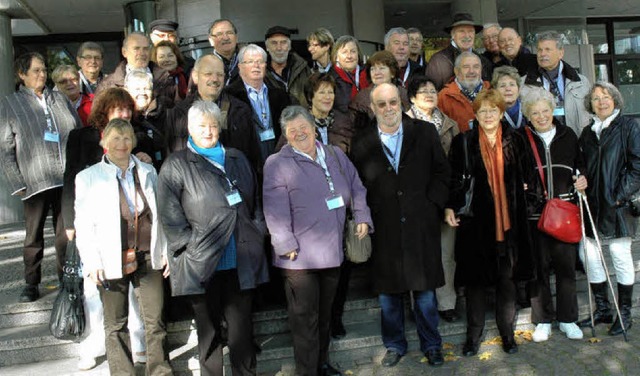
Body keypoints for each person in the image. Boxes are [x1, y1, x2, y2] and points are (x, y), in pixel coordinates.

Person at [158, 100, 268, 375]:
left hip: (240, 258)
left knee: (242, 333)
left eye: (213, 125)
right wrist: (190, 246)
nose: (208, 131)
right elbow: (170, 216)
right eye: (201, 126)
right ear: (189, 129)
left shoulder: (236, 157)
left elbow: (255, 201)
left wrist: (258, 230)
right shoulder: (176, 164)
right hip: (202, 264)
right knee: (208, 336)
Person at [263, 105, 372, 376]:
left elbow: (357, 185)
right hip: (298, 258)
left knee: (325, 316)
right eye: (292, 131)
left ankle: (322, 363)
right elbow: (274, 208)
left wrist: (361, 215)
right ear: (285, 135)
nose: (300, 133)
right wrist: (284, 242)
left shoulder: (334, 154)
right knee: (304, 320)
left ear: (314, 128)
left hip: (333, 251)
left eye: (304, 128)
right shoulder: (277, 163)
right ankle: (307, 370)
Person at [351, 83, 450, 368]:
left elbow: (443, 172)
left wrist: (433, 205)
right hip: (385, 227)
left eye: (393, 102)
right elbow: (358, 185)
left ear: (401, 103)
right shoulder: (361, 141)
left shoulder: (424, 132)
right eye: (381, 104)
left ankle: (432, 345)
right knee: (389, 295)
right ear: (373, 108)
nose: (388, 109)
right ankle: (394, 345)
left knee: (425, 293)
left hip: (421, 223)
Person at [74, 118, 172, 376]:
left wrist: (165, 251)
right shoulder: (88, 177)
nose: (121, 144)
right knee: (116, 324)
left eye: (127, 137)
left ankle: (160, 371)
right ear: (104, 142)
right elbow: (83, 224)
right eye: (115, 138)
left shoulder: (148, 171)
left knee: (155, 320)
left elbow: (160, 214)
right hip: (109, 258)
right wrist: (92, 262)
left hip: (147, 254)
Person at [61, 87, 148, 370]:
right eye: (117, 109)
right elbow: (70, 178)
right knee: (93, 290)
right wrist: (70, 223)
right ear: (104, 111)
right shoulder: (81, 137)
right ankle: (91, 347)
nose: (123, 115)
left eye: (126, 110)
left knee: (130, 292)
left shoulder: (138, 136)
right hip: (95, 224)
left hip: (128, 225)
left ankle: (137, 343)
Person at [445, 89, 534, 356]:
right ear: (476, 113)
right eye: (482, 111)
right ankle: (473, 336)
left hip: (510, 223)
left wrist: (525, 191)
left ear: (501, 112)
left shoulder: (516, 140)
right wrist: (450, 206)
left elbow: (528, 174)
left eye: (492, 110)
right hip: (476, 223)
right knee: (475, 284)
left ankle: (507, 334)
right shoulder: (464, 141)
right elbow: (453, 179)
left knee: (507, 281)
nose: (487, 115)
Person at [0, 52, 80, 302]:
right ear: (22, 75)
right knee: (33, 236)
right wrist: (17, 182)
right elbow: (5, 147)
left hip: (65, 180)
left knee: (64, 234)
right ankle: (31, 283)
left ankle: (65, 279)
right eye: (35, 71)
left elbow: (77, 133)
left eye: (44, 70)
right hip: (34, 181)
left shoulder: (60, 98)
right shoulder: (10, 103)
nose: (42, 74)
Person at [519, 87, 586, 342]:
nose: (541, 116)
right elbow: (514, 169)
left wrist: (582, 179)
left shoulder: (569, 135)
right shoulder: (521, 137)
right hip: (535, 213)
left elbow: (581, 165)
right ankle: (543, 320)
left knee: (566, 269)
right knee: (539, 270)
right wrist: (520, 184)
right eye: (535, 113)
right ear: (528, 115)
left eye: (545, 111)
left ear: (552, 110)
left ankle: (568, 319)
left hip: (565, 212)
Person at [578, 81, 640, 336]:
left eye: (606, 97)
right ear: (590, 104)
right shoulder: (587, 132)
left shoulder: (628, 126)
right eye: (596, 98)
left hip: (618, 204)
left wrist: (618, 196)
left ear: (615, 100)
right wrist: (580, 177)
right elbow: (581, 164)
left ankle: (624, 314)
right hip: (592, 204)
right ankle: (603, 309)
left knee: (620, 256)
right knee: (589, 255)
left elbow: (638, 165)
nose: (601, 101)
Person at [405, 75, 461, 322]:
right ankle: (417, 305)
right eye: (422, 91)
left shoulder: (450, 123)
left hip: (446, 196)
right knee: (416, 253)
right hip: (416, 198)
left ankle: (446, 303)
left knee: (446, 253)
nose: (429, 94)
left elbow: (458, 164)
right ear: (412, 97)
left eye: (432, 90)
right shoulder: (403, 123)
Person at [165, 54, 258, 171]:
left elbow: (254, 157)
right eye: (208, 74)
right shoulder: (179, 113)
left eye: (219, 74)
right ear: (195, 76)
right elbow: (173, 160)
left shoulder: (240, 110)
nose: (215, 79)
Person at [224, 44, 291, 175]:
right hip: (247, 165)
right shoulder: (229, 96)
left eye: (260, 61)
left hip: (280, 163)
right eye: (250, 62)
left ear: (266, 65)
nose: (256, 65)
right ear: (240, 67)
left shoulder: (280, 94)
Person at [521, 31, 591, 136]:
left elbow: (591, 115)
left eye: (547, 49)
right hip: (540, 144)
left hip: (575, 143)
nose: (542, 54)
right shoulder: (523, 84)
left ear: (560, 53)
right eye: (540, 50)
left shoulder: (581, 82)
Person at [96, 32, 175, 106]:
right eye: (136, 48)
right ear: (124, 52)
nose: (141, 53)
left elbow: (177, 113)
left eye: (145, 49)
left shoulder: (166, 79)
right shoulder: (108, 84)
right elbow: (98, 117)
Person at [425, 13, 492, 90]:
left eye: (470, 31)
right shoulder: (438, 61)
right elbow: (431, 93)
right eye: (461, 31)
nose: (467, 36)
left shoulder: (484, 61)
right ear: (452, 35)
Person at [349, 50, 410, 130]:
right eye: (373, 69)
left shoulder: (404, 94)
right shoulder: (362, 98)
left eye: (382, 68)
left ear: (392, 72)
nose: (376, 72)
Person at [124, 70, 168, 171]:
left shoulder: (165, 112)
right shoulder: (125, 118)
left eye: (146, 89)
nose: (142, 93)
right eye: (137, 89)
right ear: (127, 91)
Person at [438, 51, 490, 132]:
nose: (471, 71)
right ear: (456, 71)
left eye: (476, 67)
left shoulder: (492, 91)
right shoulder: (444, 96)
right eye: (466, 67)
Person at [304, 72, 354, 153]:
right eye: (322, 92)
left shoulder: (344, 123)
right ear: (310, 97)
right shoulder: (298, 123)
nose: (327, 97)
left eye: (330, 92)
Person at [264, 25, 312, 107]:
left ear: (289, 46)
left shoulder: (303, 69)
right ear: (267, 47)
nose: (279, 48)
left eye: (283, 42)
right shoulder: (261, 74)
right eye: (274, 43)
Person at [329, 35, 369, 115]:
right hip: (342, 125)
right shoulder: (330, 79)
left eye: (353, 51)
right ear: (336, 56)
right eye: (344, 52)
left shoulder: (369, 74)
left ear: (358, 54)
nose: (349, 56)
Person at [209, 18, 240, 85]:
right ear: (211, 40)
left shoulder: (248, 61)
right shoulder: (204, 66)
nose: (225, 38)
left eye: (229, 33)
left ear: (236, 37)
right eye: (219, 34)